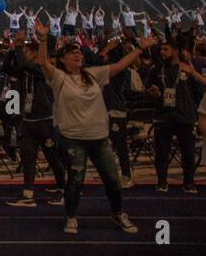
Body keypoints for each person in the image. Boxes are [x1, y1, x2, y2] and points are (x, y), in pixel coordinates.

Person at [33, 21, 151, 235]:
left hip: (99, 138)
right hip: (73, 138)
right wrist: (42, 39)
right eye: (71, 53)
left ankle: (118, 214)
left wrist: (141, 48)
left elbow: (120, 66)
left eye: (79, 52)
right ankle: (71, 217)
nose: (77, 55)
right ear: (62, 59)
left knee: (113, 181)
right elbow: (42, 62)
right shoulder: (59, 78)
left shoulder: (94, 74)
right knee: (76, 180)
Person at [2, 32, 67, 207]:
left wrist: (17, 47)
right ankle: (28, 194)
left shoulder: (45, 68)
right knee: (28, 156)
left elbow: (23, 63)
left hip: (46, 120)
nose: (25, 52)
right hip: (29, 120)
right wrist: (12, 50)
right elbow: (6, 68)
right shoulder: (27, 69)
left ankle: (64, 189)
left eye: (29, 50)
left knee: (53, 157)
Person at [144, 40, 206, 193]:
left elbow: (199, 92)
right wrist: (150, 93)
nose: (161, 52)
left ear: (175, 51)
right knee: (161, 152)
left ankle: (189, 182)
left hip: (185, 116)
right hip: (163, 116)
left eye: (166, 49)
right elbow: (146, 89)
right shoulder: (156, 70)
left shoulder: (188, 70)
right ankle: (162, 182)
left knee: (188, 152)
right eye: (161, 49)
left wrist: (198, 116)